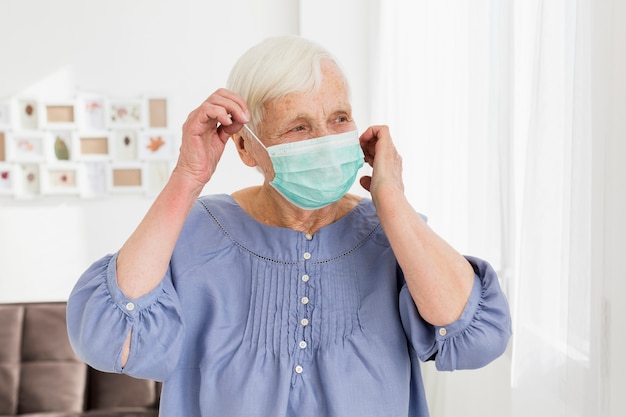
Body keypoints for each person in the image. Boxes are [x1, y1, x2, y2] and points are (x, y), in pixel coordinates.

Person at [67, 35, 511, 417]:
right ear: (246, 147)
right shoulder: (192, 234)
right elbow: (112, 341)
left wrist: (392, 201)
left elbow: (476, 339)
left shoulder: (393, 231)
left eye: (339, 119)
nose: (325, 140)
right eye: (298, 127)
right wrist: (188, 177)